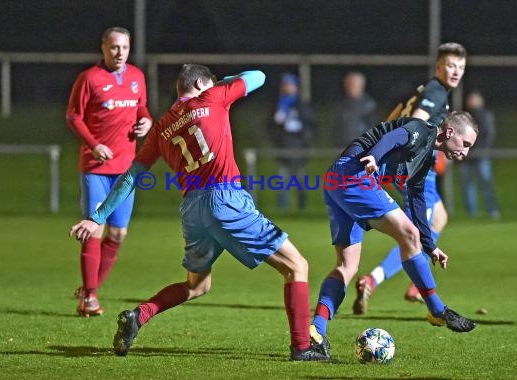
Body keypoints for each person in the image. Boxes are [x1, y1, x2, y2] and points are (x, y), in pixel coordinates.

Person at [69, 64, 330, 361]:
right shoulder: (212, 97)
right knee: (296, 266)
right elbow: (259, 77)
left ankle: (138, 315)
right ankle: (302, 347)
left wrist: (96, 217)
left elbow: (130, 177)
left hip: (193, 209)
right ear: (201, 84)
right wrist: (222, 82)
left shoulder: (161, 127)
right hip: (225, 198)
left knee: (197, 285)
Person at [310, 111, 479, 357]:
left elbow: (417, 198)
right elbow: (397, 136)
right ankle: (437, 309)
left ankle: (316, 332)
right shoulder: (423, 130)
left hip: (337, 180)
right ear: (450, 132)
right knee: (408, 234)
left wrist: (430, 245)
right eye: (465, 144)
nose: (465, 153)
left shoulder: (425, 158)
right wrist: (375, 158)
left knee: (347, 265)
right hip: (355, 176)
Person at [352, 42, 467, 315]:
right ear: (439, 66)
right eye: (450, 65)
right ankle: (373, 279)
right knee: (415, 234)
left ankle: (416, 284)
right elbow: (415, 122)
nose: (455, 72)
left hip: (404, 166)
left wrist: (381, 148)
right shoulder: (436, 93)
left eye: (460, 67)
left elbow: (392, 118)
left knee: (439, 217)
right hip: (415, 170)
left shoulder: (423, 90)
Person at [66, 27, 152, 317]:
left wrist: (146, 122)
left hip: (126, 170)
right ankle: (89, 296)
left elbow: (142, 108)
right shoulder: (89, 78)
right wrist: (93, 144)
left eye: (124, 47)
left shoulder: (137, 77)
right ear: (103, 48)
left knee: (117, 233)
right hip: (96, 169)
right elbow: (73, 117)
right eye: (114, 47)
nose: (119, 53)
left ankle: (91, 288)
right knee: (94, 229)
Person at [269, 73, 315, 211]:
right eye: (285, 85)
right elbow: (271, 126)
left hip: (299, 148)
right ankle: (283, 210)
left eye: (290, 85)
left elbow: (310, 124)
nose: (287, 88)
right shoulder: (278, 105)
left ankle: (302, 209)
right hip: (283, 148)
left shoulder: (301, 104)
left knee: (301, 180)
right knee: (282, 180)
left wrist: (302, 134)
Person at [459, 90, 501, 219]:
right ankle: (472, 213)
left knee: (486, 183)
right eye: (470, 99)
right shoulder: (462, 117)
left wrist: (478, 149)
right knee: (467, 185)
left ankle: (493, 210)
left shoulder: (486, 116)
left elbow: (488, 135)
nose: (472, 102)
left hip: (481, 156)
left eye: (475, 99)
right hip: (466, 158)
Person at [332, 71, 378, 149]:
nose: (351, 88)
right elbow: (335, 126)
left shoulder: (369, 105)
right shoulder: (341, 104)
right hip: (342, 145)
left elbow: (372, 126)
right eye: (349, 85)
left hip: (361, 145)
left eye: (354, 85)